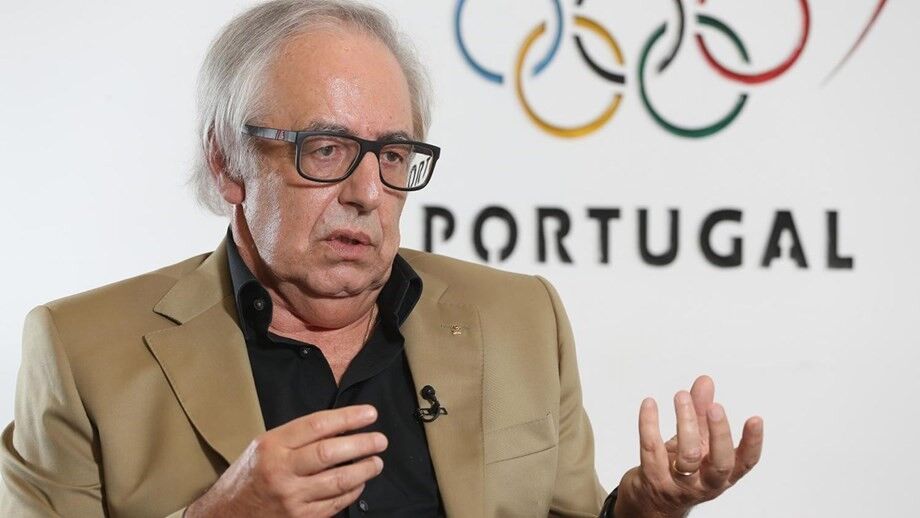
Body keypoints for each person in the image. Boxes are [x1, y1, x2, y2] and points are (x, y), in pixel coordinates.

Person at [0, 1, 763, 516]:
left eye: (393, 155)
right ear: (228, 161)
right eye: (326, 149)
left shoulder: (520, 319)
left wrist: (643, 509)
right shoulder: (81, 352)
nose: (368, 192)